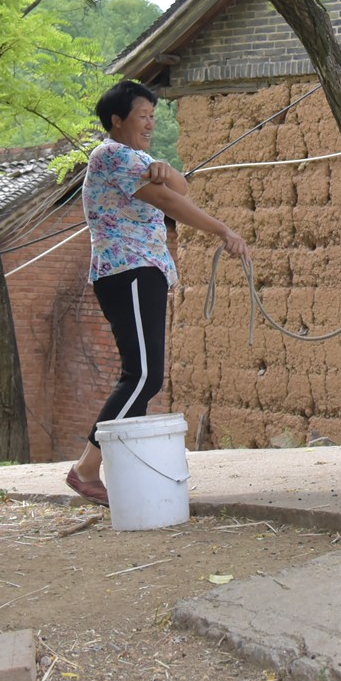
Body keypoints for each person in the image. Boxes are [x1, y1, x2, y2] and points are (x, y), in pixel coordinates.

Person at [67, 80, 246, 504]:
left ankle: (119, 475)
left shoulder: (137, 158)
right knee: (142, 375)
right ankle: (86, 469)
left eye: (152, 116)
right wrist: (222, 230)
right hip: (127, 270)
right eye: (141, 116)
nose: (149, 123)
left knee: (145, 377)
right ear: (117, 120)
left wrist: (167, 168)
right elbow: (170, 203)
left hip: (143, 272)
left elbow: (178, 188)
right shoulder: (111, 155)